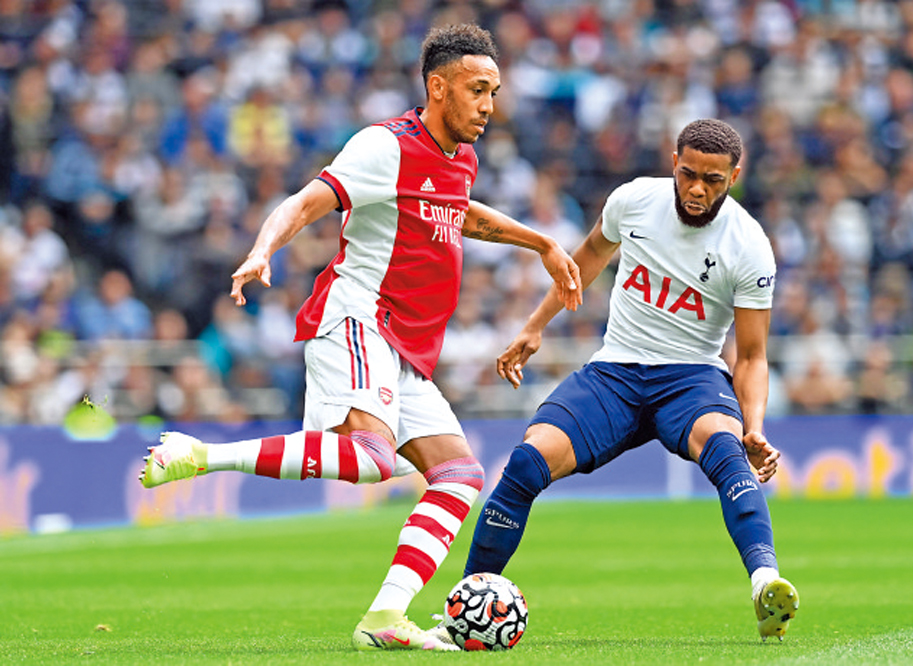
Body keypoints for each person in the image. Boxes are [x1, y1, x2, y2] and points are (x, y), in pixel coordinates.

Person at [138, 24, 581, 652]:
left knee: (459, 475)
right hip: (359, 318)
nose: (489, 105)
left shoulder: (462, 158)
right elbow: (305, 202)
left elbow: (461, 214)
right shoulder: (384, 146)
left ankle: (385, 616)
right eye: (478, 90)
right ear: (438, 87)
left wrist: (541, 242)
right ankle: (200, 454)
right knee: (371, 459)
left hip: (405, 348)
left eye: (494, 92)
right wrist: (263, 249)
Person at [453, 119, 799, 642]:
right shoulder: (633, 200)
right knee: (525, 462)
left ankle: (765, 584)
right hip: (615, 371)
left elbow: (751, 356)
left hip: (692, 376)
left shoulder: (749, 245)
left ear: (734, 176)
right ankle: (465, 607)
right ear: (673, 162)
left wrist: (753, 427)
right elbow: (588, 258)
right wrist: (535, 326)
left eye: (712, 180)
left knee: (727, 450)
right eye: (688, 174)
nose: (697, 189)